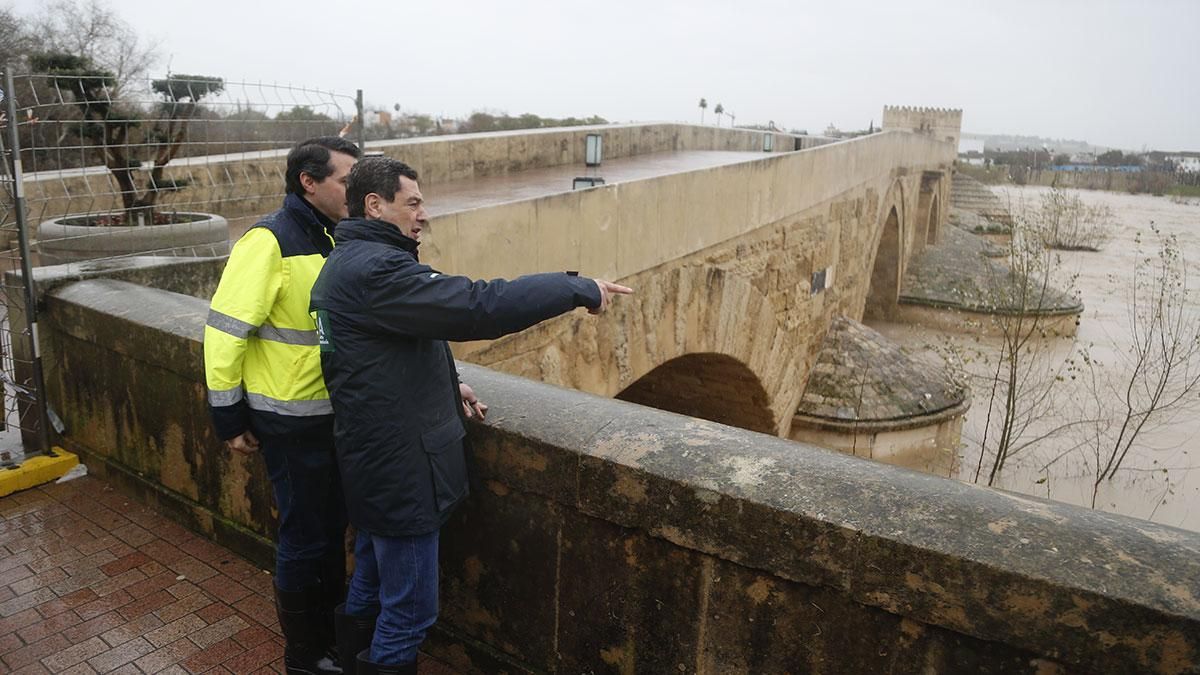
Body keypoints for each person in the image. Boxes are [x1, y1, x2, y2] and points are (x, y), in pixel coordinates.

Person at [311, 157, 631, 675]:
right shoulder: (377, 270)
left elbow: (374, 358)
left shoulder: (348, 263)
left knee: (369, 585)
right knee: (410, 611)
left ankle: (347, 662)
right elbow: (478, 306)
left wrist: (446, 383)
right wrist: (576, 287)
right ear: (375, 205)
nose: (423, 214)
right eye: (413, 203)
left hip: (371, 461)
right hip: (401, 473)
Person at [204, 136, 362, 674]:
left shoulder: (339, 237)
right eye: (346, 179)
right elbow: (225, 333)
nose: (356, 189)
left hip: (338, 415)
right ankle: (304, 654)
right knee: (303, 534)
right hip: (291, 419)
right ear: (309, 182)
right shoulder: (268, 240)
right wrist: (228, 417)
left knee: (333, 528)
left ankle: (332, 641)